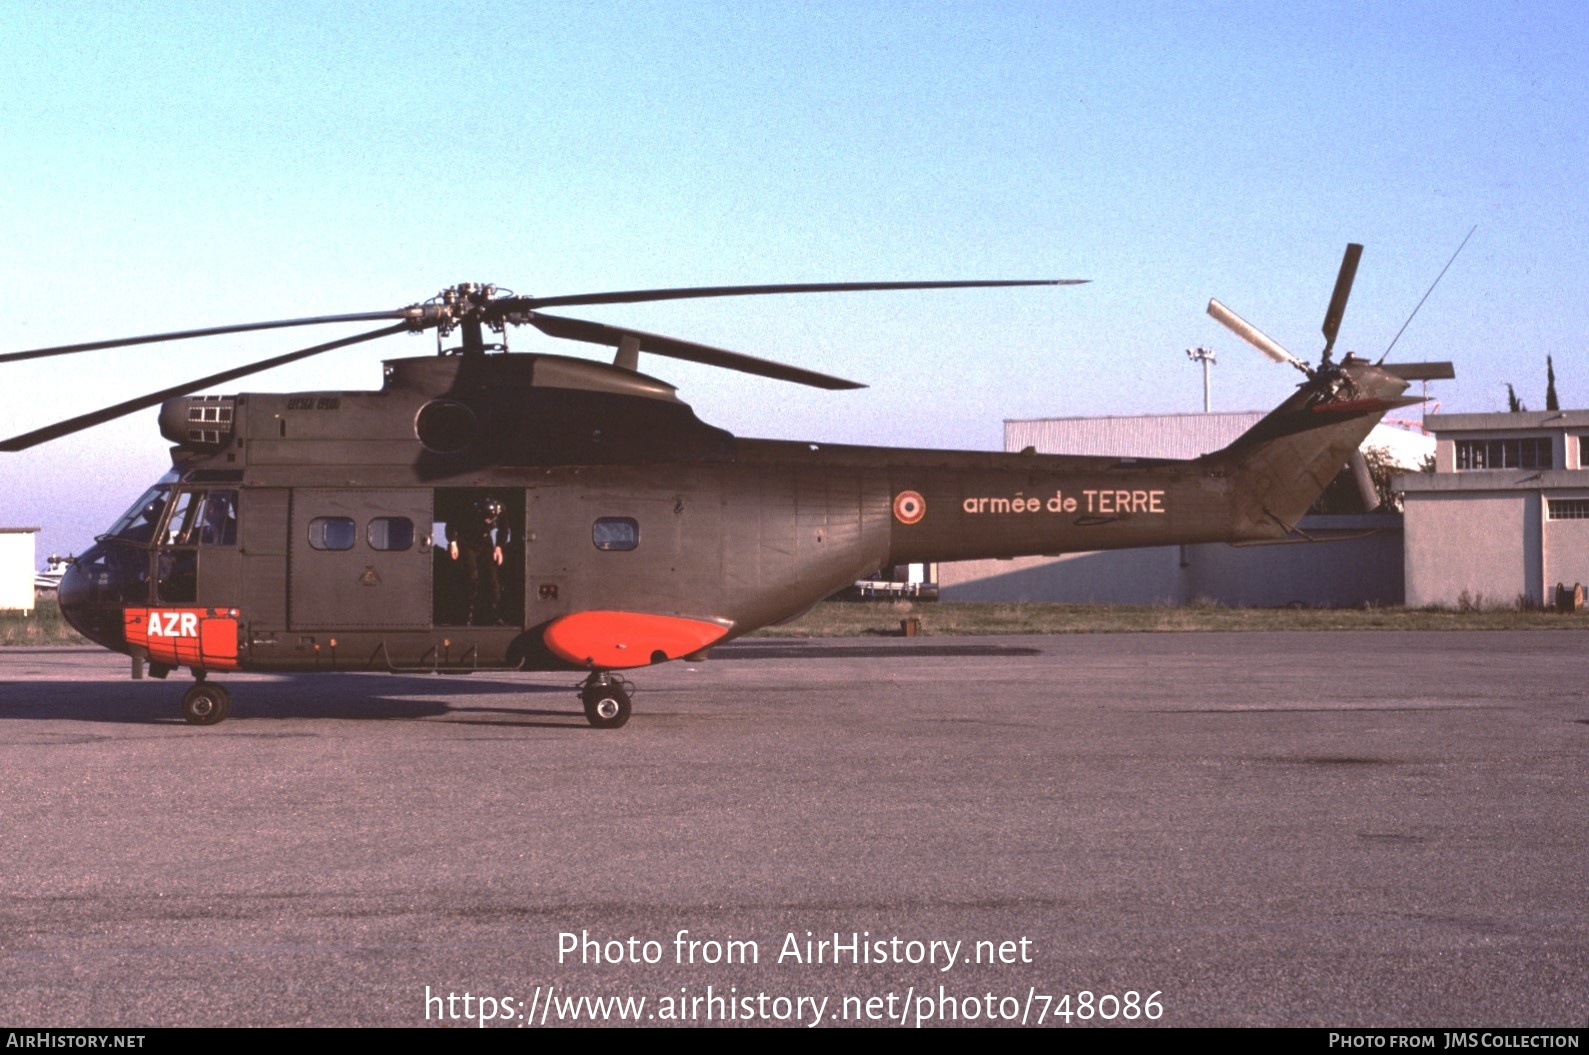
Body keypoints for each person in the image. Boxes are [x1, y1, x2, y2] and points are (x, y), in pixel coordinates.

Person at [448, 496, 508, 625]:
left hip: (485, 542)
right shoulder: (467, 510)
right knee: (472, 576)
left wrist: (498, 547)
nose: (489, 521)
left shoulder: (501, 510)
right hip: (467, 541)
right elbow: (452, 524)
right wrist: (453, 543)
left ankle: (494, 613)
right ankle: (467, 615)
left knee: (493, 579)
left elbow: (503, 529)